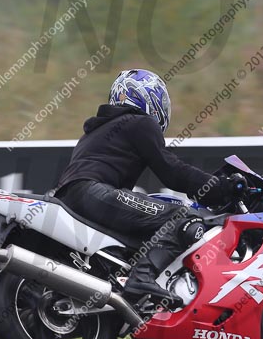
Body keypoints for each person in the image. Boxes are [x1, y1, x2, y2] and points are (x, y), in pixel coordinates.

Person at [53, 69, 243, 307]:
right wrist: (219, 187)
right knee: (182, 217)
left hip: (71, 197)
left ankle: (127, 291)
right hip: (93, 192)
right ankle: (141, 278)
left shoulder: (95, 131)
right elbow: (172, 172)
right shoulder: (139, 122)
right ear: (146, 96)